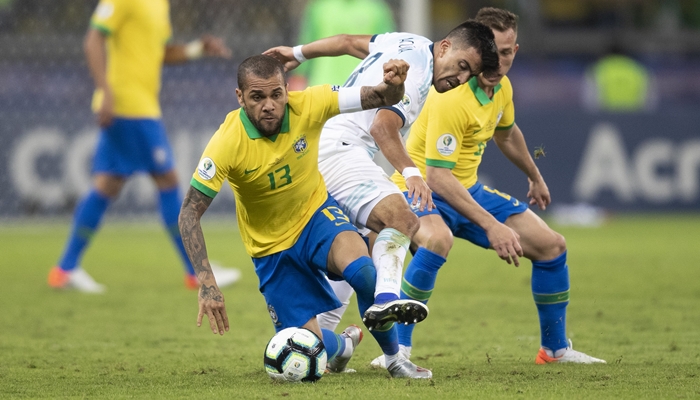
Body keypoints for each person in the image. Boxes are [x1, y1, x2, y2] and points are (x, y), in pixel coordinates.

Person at [366, 7, 604, 366]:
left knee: (552, 246)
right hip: (421, 190)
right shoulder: (452, 96)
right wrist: (492, 225)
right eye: (491, 52)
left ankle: (554, 350)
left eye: (506, 52)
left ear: (515, 51)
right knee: (436, 240)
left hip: (467, 190)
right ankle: (396, 352)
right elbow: (437, 177)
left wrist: (534, 175)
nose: (499, 61)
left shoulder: (502, 88)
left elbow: (507, 133)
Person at [178, 54, 432, 379]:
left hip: (316, 217)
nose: (269, 105)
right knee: (307, 344)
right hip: (272, 251)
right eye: (257, 97)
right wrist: (207, 283)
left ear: (287, 89)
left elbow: (380, 96)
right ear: (240, 97)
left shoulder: (311, 103)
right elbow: (189, 214)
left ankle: (396, 359)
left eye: (276, 95)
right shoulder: (227, 142)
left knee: (364, 273)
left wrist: (394, 86)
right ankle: (343, 346)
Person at [263, 21, 500, 337]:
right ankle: (388, 297)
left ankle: (326, 344)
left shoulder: (408, 42)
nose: (461, 79)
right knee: (400, 218)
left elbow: (348, 40)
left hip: (318, 144)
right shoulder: (414, 78)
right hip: (342, 151)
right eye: (461, 66)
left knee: (359, 249)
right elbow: (381, 127)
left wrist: (297, 53)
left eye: (470, 74)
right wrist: (412, 173)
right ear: (445, 47)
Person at [47, 0, 240, 293]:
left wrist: (196, 49)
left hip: (140, 106)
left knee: (107, 184)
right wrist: (104, 89)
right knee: (168, 180)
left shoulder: (159, 4)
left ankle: (65, 269)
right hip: (129, 107)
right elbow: (93, 39)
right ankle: (196, 272)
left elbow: (160, 52)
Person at [289, 0, 396, 90]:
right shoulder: (318, 8)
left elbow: (388, 51)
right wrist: (299, 77)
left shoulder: (377, 10)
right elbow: (305, 45)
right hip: (323, 88)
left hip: (363, 90)